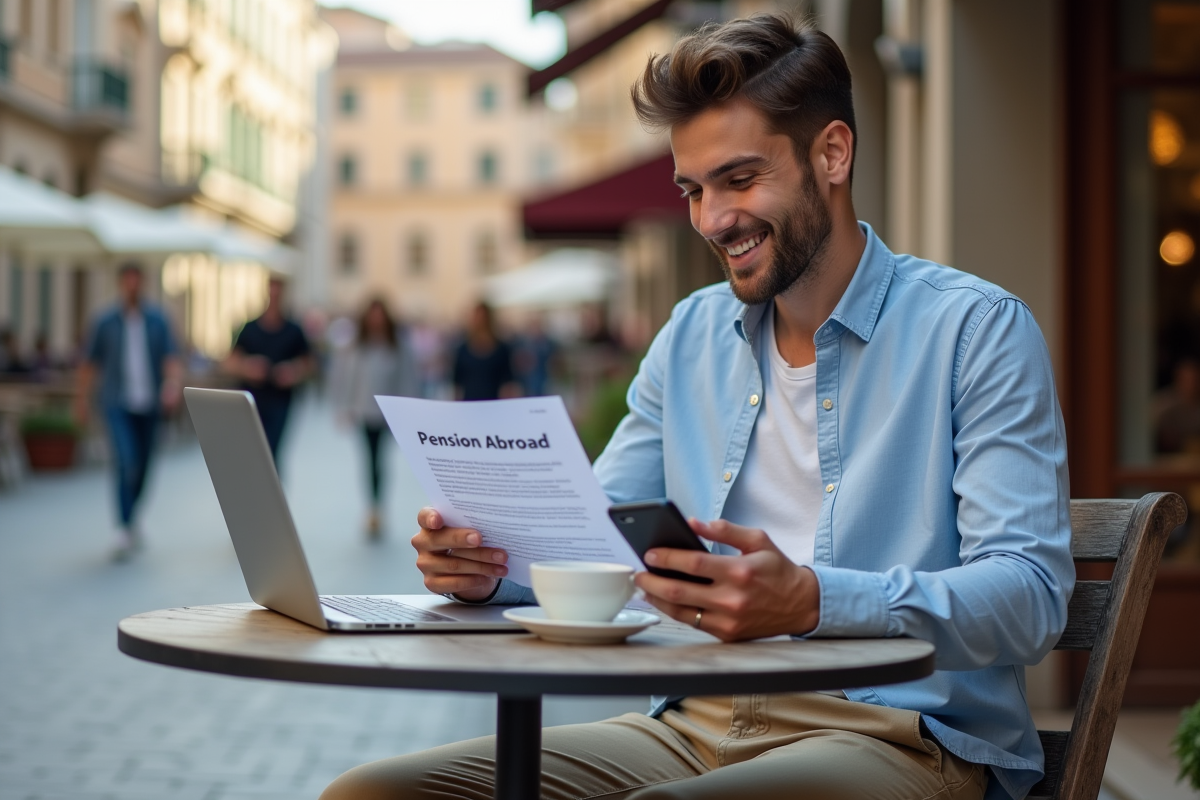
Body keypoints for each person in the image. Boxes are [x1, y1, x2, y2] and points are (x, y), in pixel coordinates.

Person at [324, 15, 1072, 800]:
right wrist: (490, 567)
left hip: (897, 736)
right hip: (695, 720)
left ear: (833, 154)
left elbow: (1030, 595)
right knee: (372, 793)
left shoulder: (976, 331)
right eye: (694, 189)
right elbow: (597, 533)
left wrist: (815, 600)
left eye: (740, 179)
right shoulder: (691, 335)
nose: (713, 219)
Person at [74, 263, 183, 560]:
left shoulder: (157, 320)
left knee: (145, 464)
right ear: (121, 283)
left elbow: (171, 358)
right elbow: (90, 363)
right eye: (127, 281)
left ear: (143, 283)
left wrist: (172, 385)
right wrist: (81, 400)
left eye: (137, 281)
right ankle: (123, 526)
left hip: (149, 404)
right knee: (125, 459)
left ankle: (132, 516)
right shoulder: (105, 321)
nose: (132, 286)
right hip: (116, 402)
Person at [334, 298, 419, 539]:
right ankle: (372, 507)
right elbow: (346, 377)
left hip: (387, 414)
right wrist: (344, 406)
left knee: (380, 460)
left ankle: (378, 506)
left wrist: (407, 410)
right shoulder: (356, 345)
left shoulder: (397, 346)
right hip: (363, 411)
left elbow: (407, 379)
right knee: (369, 459)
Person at [223, 276, 313, 463]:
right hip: (251, 400)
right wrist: (248, 367)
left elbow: (309, 363)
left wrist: (293, 371)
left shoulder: (293, 330)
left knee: (273, 452)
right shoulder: (250, 329)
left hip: (281, 400)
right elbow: (230, 362)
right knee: (253, 452)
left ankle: (272, 489)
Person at [451, 301, 518, 401]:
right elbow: (457, 382)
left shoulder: (502, 349)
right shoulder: (462, 349)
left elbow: (508, 382)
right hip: (469, 403)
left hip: (494, 403)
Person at [512, 315, 558, 397]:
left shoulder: (547, 343)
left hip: (544, 380)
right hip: (527, 381)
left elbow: (554, 361)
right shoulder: (522, 343)